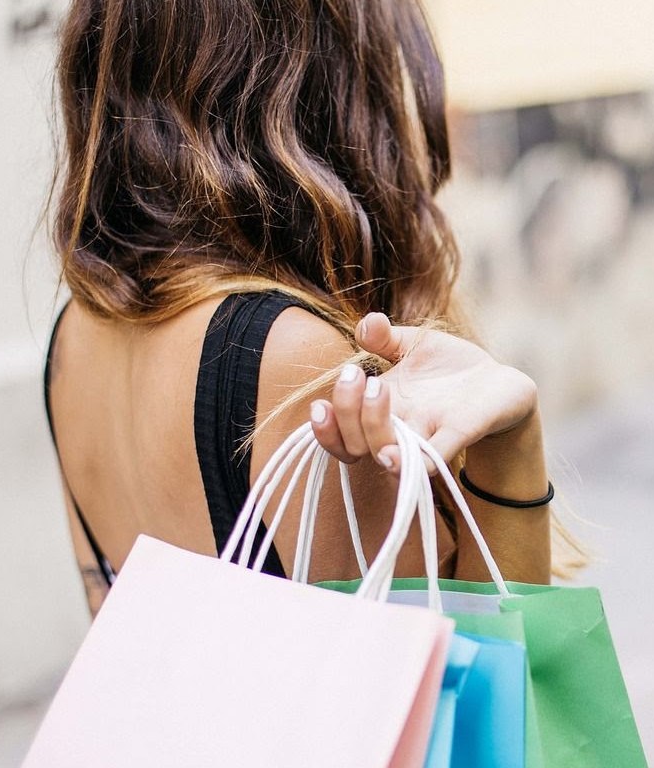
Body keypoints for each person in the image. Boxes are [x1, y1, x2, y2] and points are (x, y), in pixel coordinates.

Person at [43, 0, 571, 616]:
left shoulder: (75, 336)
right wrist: (512, 448)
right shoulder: (294, 358)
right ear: (336, 91)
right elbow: (484, 678)